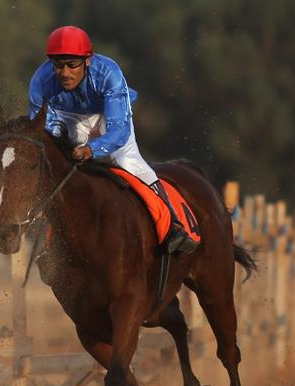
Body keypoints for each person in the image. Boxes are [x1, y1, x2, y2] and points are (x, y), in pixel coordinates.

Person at [29, 25, 196, 254]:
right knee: (58, 167)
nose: (65, 73)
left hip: (108, 116)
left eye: (72, 64)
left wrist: (91, 149)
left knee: (126, 161)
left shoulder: (109, 74)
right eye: (58, 65)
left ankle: (173, 225)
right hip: (70, 117)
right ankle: (50, 245)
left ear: (87, 60)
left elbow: (118, 132)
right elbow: (40, 131)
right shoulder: (40, 81)